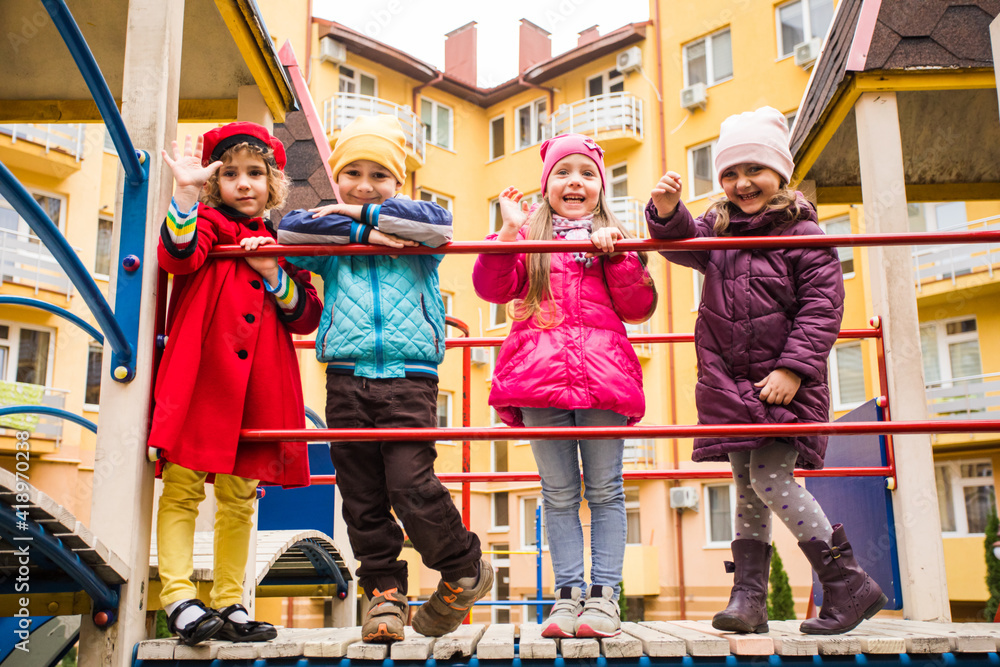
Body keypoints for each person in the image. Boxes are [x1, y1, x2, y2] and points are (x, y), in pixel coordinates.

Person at [646, 106, 886, 635]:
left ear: (780, 173)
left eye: (753, 169)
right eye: (729, 173)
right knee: (746, 487)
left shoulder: (803, 232)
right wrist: (666, 211)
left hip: (782, 386)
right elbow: (682, 241)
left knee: (770, 477)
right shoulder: (721, 229)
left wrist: (794, 370)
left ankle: (847, 583)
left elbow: (822, 307)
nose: (740, 182)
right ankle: (749, 598)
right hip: (732, 385)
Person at [277, 115, 491, 644]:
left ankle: (463, 564)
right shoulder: (332, 237)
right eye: (353, 174)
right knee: (360, 493)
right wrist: (360, 230)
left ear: (398, 185)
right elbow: (285, 231)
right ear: (336, 177)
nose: (366, 184)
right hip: (347, 376)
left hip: (409, 376)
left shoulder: (417, 232)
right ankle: (384, 594)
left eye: (380, 176)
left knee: (410, 483)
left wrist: (368, 213)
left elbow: (440, 224)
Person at [473, 133, 657, 638]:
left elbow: (640, 307)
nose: (574, 180)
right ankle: (567, 598)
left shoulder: (614, 237)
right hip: (540, 379)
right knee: (556, 493)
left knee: (605, 490)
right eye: (563, 171)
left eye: (587, 173)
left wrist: (616, 257)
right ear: (547, 183)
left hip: (602, 378)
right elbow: (490, 287)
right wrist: (508, 234)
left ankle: (604, 598)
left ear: (600, 186)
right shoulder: (530, 239)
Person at [151, 122, 322, 645]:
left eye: (255, 173)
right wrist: (184, 193)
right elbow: (176, 256)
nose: (243, 183)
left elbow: (306, 316)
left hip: (259, 383)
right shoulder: (204, 222)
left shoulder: (285, 241)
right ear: (214, 183)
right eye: (229, 174)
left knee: (241, 493)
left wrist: (272, 274)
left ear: (272, 183)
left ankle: (230, 600)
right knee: (182, 485)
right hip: (203, 374)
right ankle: (178, 596)